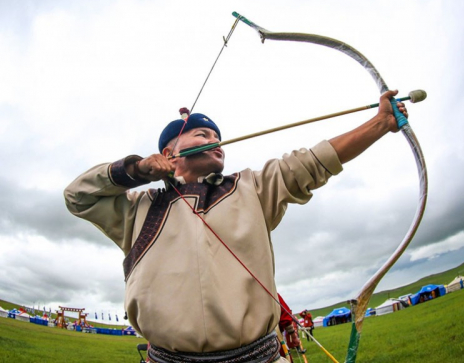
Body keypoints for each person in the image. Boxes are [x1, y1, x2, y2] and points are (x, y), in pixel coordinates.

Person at [64, 90, 407, 363]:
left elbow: (313, 162)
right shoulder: (138, 209)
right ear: (169, 152)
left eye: (218, 137)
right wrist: (134, 171)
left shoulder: (252, 188)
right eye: (202, 134)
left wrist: (380, 123)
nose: (216, 141)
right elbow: (77, 197)